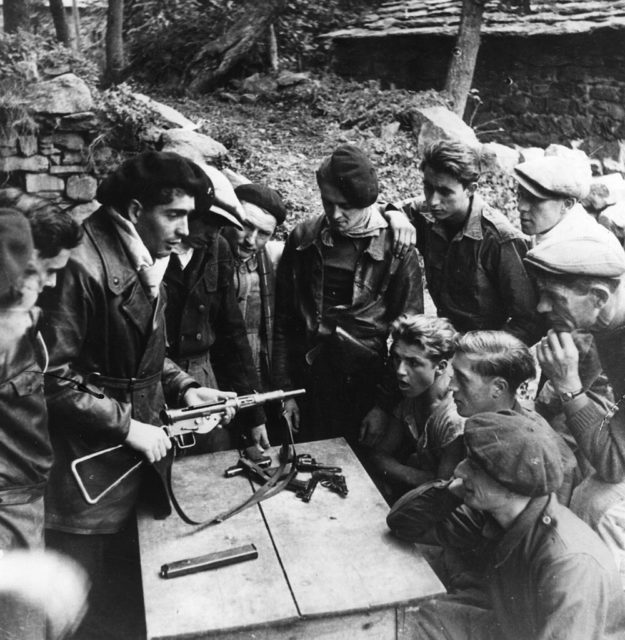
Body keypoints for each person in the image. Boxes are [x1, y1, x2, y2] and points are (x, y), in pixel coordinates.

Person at [39, 151, 237, 639]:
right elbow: (50, 379)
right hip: (85, 473)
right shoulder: (79, 266)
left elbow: (142, 356)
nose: (185, 228)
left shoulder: (141, 254)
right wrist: (129, 426)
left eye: (189, 215)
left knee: (130, 601)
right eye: (173, 214)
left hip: (130, 460)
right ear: (133, 211)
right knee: (79, 612)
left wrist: (185, 388)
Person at [387, 412, 625, 640]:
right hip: (513, 624)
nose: (459, 470)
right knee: (413, 622)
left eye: (476, 468)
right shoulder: (497, 513)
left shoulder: (569, 563)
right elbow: (402, 524)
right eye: (468, 460)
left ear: (513, 486)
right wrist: (452, 491)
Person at [273, 144, 424, 446]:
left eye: (346, 207)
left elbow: (409, 335)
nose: (335, 214)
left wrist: (383, 406)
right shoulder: (304, 238)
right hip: (307, 381)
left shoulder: (397, 249)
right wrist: (284, 393)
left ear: (366, 203)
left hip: (363, 385)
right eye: (328, 203)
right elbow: (283, 321)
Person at [524, 226, 625, 581]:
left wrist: (568, 385)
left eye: (554, 296)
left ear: (598, 296)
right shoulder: (611, 318)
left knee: (602, 505)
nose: (542, 307)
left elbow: (616, 465)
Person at [393, 139, 540, 344]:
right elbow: (385, 208)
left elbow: (529, 322)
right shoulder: (427, 212)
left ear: (470, 189)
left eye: (445, 192)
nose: (433, 201)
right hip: (447, 341)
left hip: (485, 352)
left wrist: (478, 354)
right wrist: (395, 216)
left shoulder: (501, 239)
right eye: (428, 188)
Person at [164, 174, 269, 452]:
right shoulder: (155, 249)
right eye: (209, 222)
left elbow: (233, 334)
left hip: (204, 385)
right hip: (157, 383)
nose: (214, 233)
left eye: (221, 226)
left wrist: (254, 416)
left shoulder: (216, 248)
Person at [450, 330, 578, 505]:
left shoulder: (540, 455)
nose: (451, 385)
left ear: (498, 388)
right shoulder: (488, 423)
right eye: (453, 374)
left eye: (462, 379)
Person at [367, 314, 464, 503]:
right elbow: (379, 455)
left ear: (441, 366)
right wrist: (421, 477)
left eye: (413, 363)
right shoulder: (411, 398)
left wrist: (401, 472)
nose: (400, 371)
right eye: (397, 359)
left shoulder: (454, 418)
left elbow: (442, 492)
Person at [222, 183, 287, 393]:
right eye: (246, 225)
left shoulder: (272, 260)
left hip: (259, 377)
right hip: (215, 380)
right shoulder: (205, 257)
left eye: (263, 233)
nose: (251, 240)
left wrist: (391, 213)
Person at [513, 155, 595, 244]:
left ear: (567, 204)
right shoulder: (553, 230)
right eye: (520, 195)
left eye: (533, 199)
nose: (521, 207)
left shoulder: (579, 245)